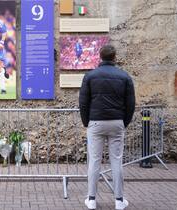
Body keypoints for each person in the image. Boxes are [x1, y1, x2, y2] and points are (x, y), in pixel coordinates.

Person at [79, 45, 135, 210]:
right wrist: (124, 122)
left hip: (95, 122)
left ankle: (91, 200)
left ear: (100, 57)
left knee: (94, 161)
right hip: (116, 122)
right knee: (116, 161)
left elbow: (83, 102)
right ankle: (119, 201)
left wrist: (86, 122)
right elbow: (131, 103)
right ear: (114, 57)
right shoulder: (124, 76)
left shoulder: (90, 76)